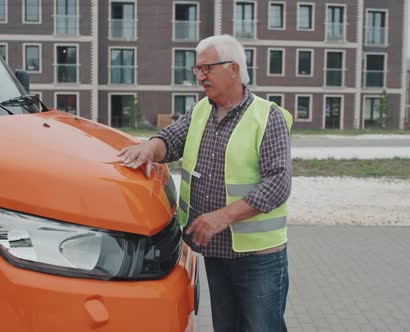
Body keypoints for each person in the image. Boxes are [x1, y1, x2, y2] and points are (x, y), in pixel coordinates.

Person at [118, 34, 293, 332]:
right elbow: (170, 140)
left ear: (234, 69)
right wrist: (151, 147)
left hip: (258, 259)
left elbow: (278, 184)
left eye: (207, 68)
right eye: (197, 70)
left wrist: (221, 217)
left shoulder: (267, 117)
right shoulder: (201, 110)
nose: (200, 76)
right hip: (216, 253)